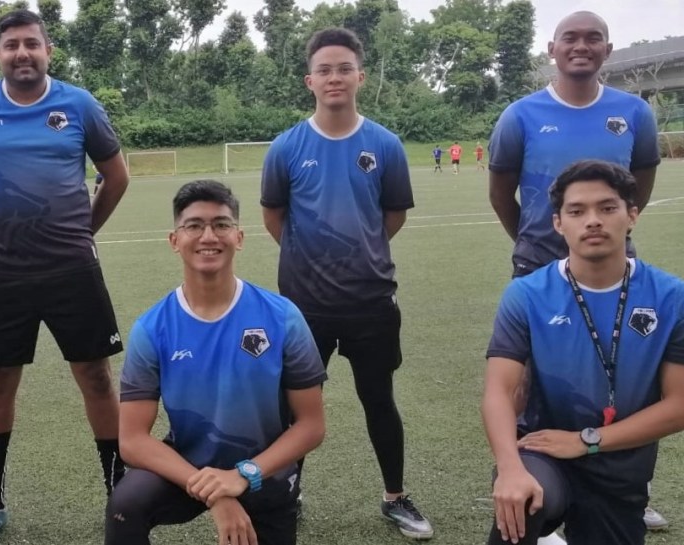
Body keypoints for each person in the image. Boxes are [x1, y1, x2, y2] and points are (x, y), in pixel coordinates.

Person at [0, 9, 130, 545]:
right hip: (5, 272)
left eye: (31, 43)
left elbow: (116, 176)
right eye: (11, 45)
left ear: (48, 50)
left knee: (96, 377)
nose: (21, 53)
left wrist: (84, 230)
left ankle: (120, 498)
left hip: (72, 269)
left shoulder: (79, 104)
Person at [488, 11, 664, 531]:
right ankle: (523, 475)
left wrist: (609, 233)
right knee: (524, 385)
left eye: (593, 38)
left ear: (607, 49)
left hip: (612, 269)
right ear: (552, 48)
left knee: (623, 377)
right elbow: (500, 193)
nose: (581, 46)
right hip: (539, 264)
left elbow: (638, 185)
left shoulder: (634, 113)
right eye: (570, 38)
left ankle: (624, 487)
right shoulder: (520, 115)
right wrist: (539, 241)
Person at [261, 28, 433, 540]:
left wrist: (360, 253)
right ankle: (286, 495)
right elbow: (275, 216)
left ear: (360, 76)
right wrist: (309, 261)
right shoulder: (286, 147)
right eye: (324, 70)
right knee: (293, 407)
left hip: (370, 301)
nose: (334, 77)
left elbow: (392, 215)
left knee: (379, 399)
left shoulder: (385, 144)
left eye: (343, 69)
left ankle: (395, 497)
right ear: (309, 80)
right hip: (303, 306)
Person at [106, 180, 327, 545]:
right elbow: (132, 440)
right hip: (189, 466)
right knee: (125, 506)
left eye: (221, 224)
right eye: (194, 225)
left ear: (238, 237)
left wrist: (243, 475)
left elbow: (311, 425)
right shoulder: (153, 328)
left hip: (265, 472)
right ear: (175, 240)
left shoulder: (282, 317)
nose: (208, 236)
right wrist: (216, 493)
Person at [481, 160, 684, 545]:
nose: (593, 221)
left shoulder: (671, 297)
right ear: (559, 223)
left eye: (607, 208)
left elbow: (679, 405)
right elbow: (498, 391)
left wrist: (586, 440)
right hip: (543, 451)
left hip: (621, 463)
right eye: (577, 211)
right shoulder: (527, 294)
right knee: (521, 500)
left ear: (632, 215)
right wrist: (509, 468)